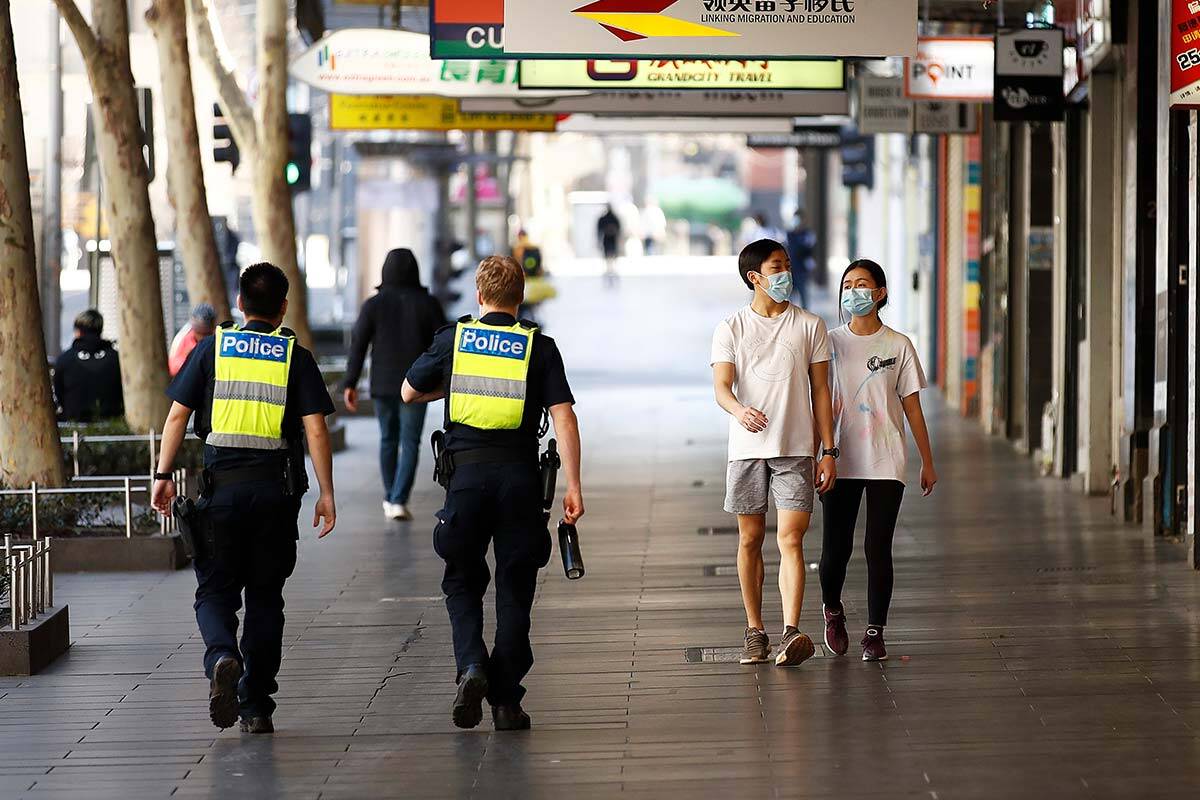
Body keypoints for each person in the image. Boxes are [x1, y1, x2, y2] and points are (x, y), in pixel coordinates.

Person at [150, 262, 337, 735]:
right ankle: (255, 707)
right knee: (265, 598)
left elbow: (176, 417)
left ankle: (222, 655)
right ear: (283, 309)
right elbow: (316, 428)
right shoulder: (296, 356)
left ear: (238, 303)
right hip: (275, 495)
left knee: (214, 591)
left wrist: (163, 475)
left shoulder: (214, 349)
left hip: (222, 495)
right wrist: (326, 493)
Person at [402, 255, 584, 732]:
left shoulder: (454, 340)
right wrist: (575, 486)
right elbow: (563, 417)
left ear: (479, 297)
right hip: (520, 480)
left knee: (461, 579)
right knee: (515, 588)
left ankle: (471, 666)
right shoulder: (538, 347)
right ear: (520, 298)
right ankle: (506, 701)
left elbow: (408, 392)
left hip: (464, 480)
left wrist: (453, 389)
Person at [711, 240, 838, 668]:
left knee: (791, 538)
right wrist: (739, 410)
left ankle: (790, 631)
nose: (786, 273)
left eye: (786, 265)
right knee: (749, 539)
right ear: (755, 277)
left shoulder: (810, 325)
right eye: (777, 267)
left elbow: (821, 391)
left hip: (797, 448)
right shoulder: (731, 327)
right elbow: (722, 388)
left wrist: (828, 449)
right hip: (747, 451)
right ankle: (755, 630)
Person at [820, 259, 937, 662]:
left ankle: (875, 631)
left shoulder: (898, 344)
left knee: (877, 547)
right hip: (839, 457)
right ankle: (832, 610)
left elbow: (913, 408)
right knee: (835, 549)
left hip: (886, 457)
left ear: (881, 293)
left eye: (863, 284)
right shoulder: (828, 342)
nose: (854, 292)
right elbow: (816, 401)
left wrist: (927, 460)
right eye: (848, 285)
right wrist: (817, 453)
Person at [343, 249, 446, 521]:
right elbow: (443, 343)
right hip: (416, 386)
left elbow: (358, 346)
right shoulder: (428, 304)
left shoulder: (373, 305)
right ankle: (398, 500)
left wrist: (350, 383)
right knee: (410, 441)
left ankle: (390, 496)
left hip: (383, 385)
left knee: (388, 439)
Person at [53, 309, 123, 422]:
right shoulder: (116, 359)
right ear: (100, 330)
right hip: (112, 425)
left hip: (74, 425)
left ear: (78, 332)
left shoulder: (65, 360)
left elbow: (59, 394)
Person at [169, 303, 218, 377]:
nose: (202, 338)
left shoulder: (219, 339)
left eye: (206, 334)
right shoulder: (184, 338)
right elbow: (173, 367)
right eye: (199, 333)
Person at [785, 211, 817, 311]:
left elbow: (810, 250)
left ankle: (805, 315)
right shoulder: (789, 234)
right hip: (790, 269)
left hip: (802, 269)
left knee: (803, 294)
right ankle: (789, 315)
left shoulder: (808, 234)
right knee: (789, 295)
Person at [596, 205, 621, 282]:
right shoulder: (611, 218)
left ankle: (611, 268)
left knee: (610, 254)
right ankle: (610, 268)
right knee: (609, 254)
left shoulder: (611, 218)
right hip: (608, 238)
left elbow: (618, 228)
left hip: (610, 238)